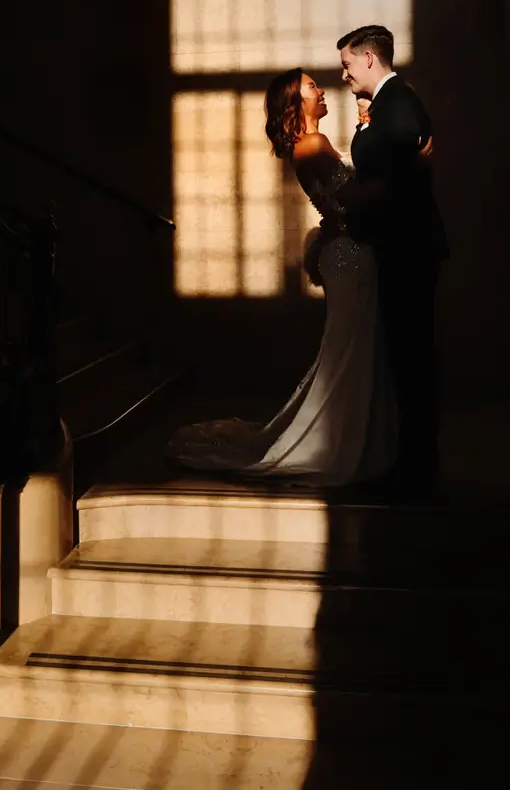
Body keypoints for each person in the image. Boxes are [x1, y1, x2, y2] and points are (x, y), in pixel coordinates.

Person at [166, 68, 396, 487]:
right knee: (347, 353)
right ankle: (336, 442)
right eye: (312, 87)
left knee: (351, 351)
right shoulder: (312, 143)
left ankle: (355, 438)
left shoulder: (310, 144)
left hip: (348, 252)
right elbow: (352, 199)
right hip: (349, 256)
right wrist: (405, 169)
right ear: (295, 103)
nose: (321, 90)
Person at [338, 24, 449, 499]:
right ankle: (412, 464)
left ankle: (417, 471)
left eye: (346, 64)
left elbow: (400, 167)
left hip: (407, 246)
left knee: (411, 358)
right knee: (405, 356)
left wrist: (363, 197)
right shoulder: (387, 104)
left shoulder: (397, 103)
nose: (343, 75)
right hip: (402, 244)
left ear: (368, 58)